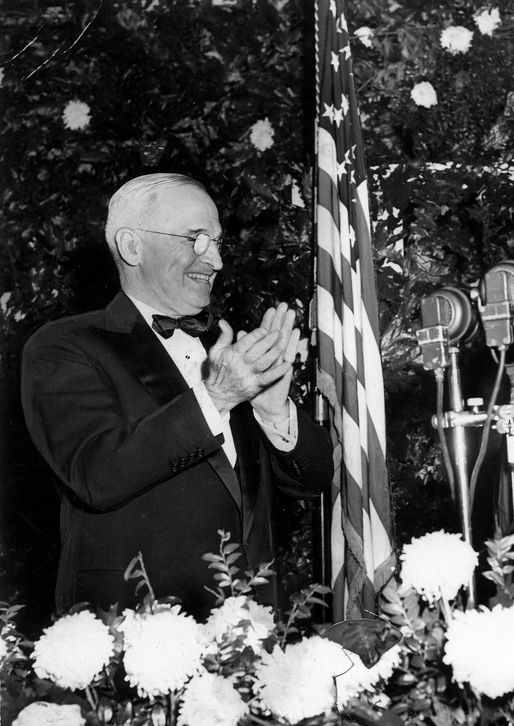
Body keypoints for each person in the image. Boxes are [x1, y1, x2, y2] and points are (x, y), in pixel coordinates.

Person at [21, 173, 334, 618]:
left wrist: (273, 410)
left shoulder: (226, 347)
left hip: (253, 637)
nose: (216, 261)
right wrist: (218, 397)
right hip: (137, 640)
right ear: (132, 246)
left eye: (217, 241)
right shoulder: (64, 346)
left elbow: (314, 481)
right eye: (196, 239)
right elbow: (96, 475)